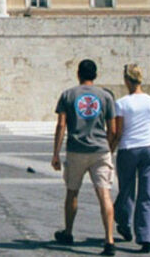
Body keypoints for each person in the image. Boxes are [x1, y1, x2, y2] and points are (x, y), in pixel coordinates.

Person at [52, 59, 117, 256]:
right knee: (104, 194)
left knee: (72, 192)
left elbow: (61, 125)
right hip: (100, 150)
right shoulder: (105, 96)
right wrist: (108, 149)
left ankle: (69, 232)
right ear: (95, 75)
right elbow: (113, 129)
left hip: (76, 150)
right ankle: (109, 240)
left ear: (78, 74)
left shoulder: (68, 95)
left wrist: (55, 153)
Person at [111, 64, 150, 254]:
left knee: (126, 191)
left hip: (128, 149)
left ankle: (123, 222)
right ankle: (146, 237)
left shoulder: (122, 103)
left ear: (126, 80)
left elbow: (118, 132)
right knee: (148, 194)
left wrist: (109, 151)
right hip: (149, 149)